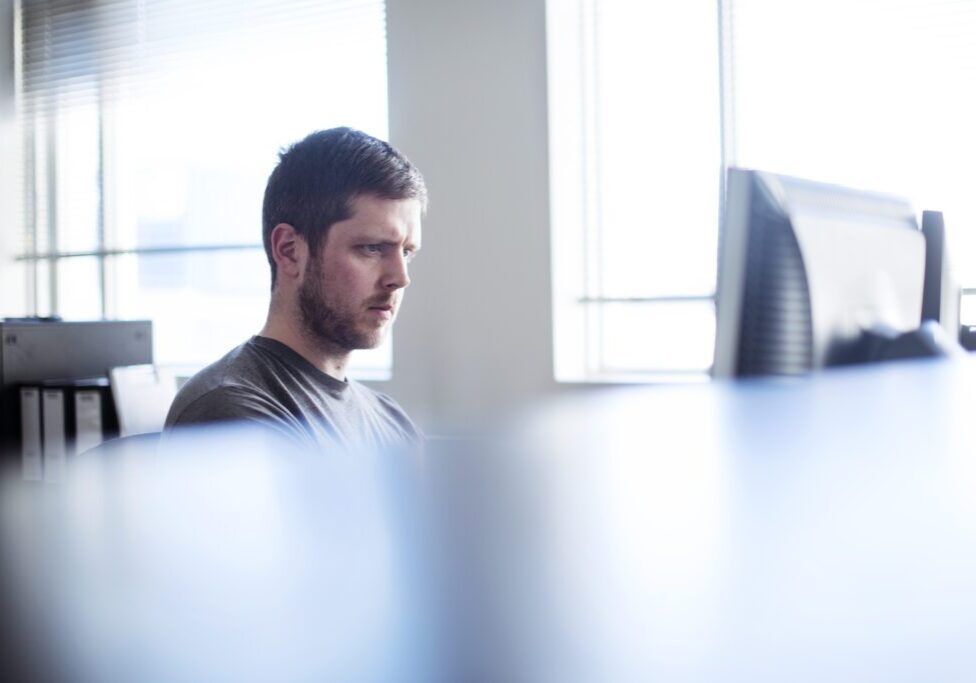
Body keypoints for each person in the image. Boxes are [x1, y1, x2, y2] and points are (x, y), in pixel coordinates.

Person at [164, 127, 426, 451]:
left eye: (407, 252)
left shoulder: (392, 421)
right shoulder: (228, 410)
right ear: (290, 251)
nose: (400, 278)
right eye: (372, 248)